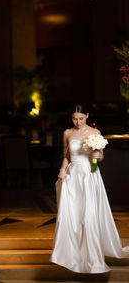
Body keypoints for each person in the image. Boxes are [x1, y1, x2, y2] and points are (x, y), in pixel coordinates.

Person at [50, 104, 129, 273]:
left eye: (81, 118)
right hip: (73, 176)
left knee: (88, 214)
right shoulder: (67, 133)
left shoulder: (95, 133)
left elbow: (99, 158)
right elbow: (67, 155)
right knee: (73, 214)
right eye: (74, 119)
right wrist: (62, 170)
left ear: (87, 115)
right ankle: (72, 254)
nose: (78, 122)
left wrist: (96, 156)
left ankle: (92, 258)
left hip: (89, 175)